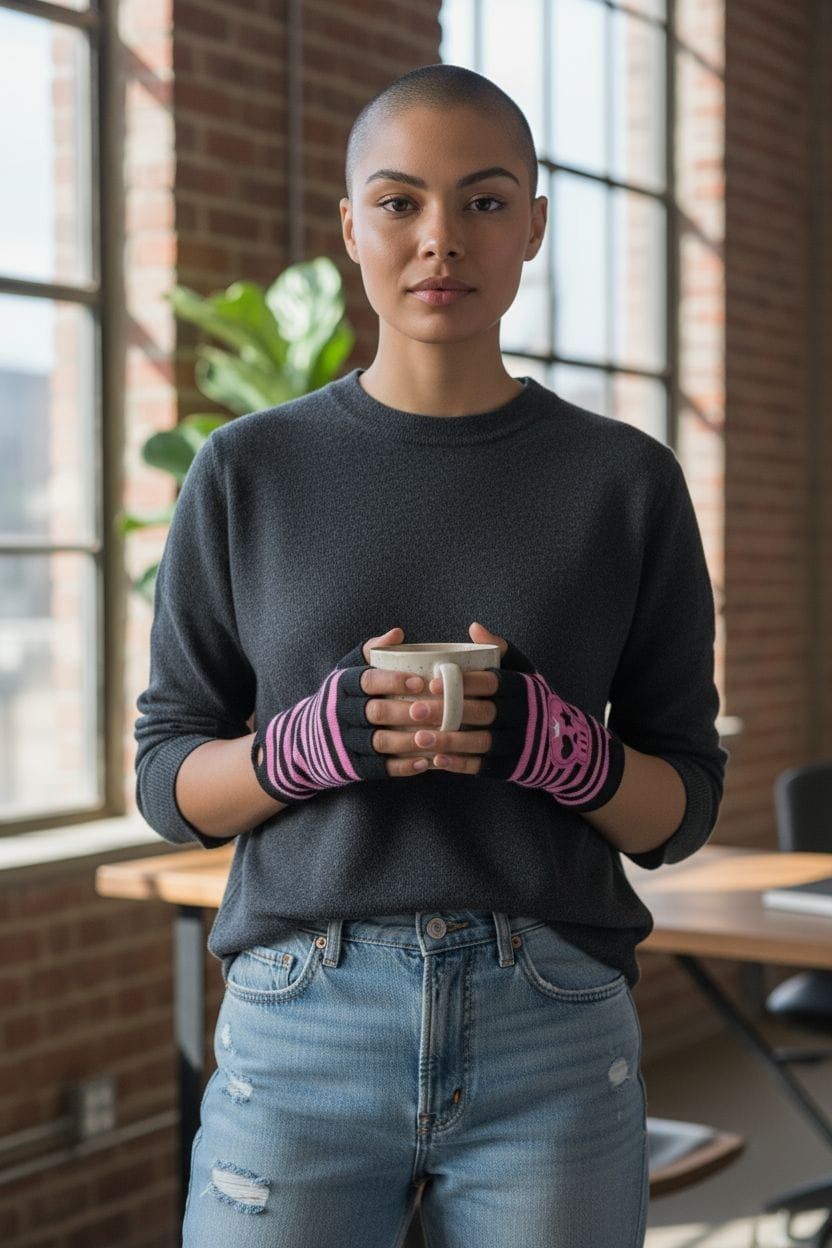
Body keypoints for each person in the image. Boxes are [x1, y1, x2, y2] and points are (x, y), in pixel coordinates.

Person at [134, 62, 729, 1248]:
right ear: (350, 225)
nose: (439, 240)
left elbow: (682, 805)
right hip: (302, 1019)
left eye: (486, 201)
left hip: (552, 1019)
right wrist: (309, 747)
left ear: (535, 229)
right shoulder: (246, 472)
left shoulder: (625, 481)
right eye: (400, 202)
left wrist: (558, 752)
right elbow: (166, 783)